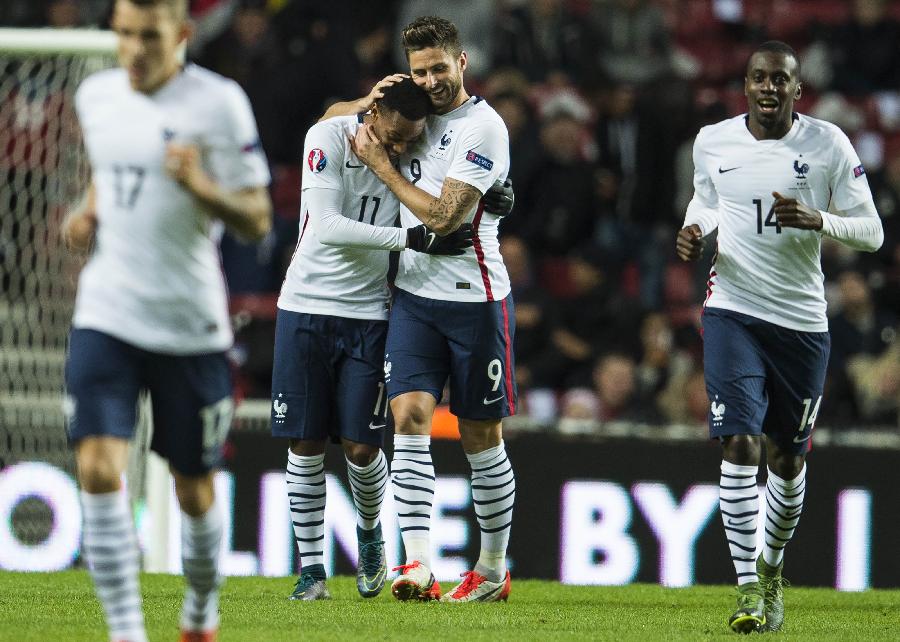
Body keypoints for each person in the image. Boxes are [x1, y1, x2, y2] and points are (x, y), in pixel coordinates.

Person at [61, 1, 273, 641]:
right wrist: (88, 212)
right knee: (99, 469)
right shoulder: (96, 96)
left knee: (194, 490)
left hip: (189, 326)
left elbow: (258, 219)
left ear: (181, 36)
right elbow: (111, 170)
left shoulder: (219, 103)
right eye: (124, 35)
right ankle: (126, 631)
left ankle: (201, 611)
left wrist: (201, 187)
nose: (134, 50)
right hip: (107, 312)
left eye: (149, 37)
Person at [676, 41, 884, 634]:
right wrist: (695, 228)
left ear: (798, 88)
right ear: (745, 85)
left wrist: (821, 220)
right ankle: (748, 588)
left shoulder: (828, 144)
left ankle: (770, 567)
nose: (769, 87)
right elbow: (707, 200)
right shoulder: (713, 141)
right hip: (732, 309)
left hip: (801, 323)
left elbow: (872, 232)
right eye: (759, 78)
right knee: (740, 444)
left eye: (780, 79)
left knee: (787, 461)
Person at [329, 16, 516, 603]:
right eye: (419, 71)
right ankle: (418, 564)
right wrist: (368, 102)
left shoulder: (483, 127)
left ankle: (492, 571)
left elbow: (443, 218)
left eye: (439, 68)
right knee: (408, 418)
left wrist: (382, 167)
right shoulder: (410, 112)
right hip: (413, 296)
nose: (431, 81)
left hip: (476, 299)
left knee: (480, 436)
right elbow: (327, 122)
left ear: (462, 62)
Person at [272, 77, 476, 602]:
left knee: (363, 449)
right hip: (305, 306)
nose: (402, 148)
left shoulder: (411, 154)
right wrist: (409, 239)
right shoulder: (327, 138)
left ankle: (369, 536)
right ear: (374, 113)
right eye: (395, 136)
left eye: (411, 139)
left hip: (369, 314)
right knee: (305, 443)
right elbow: (326, 226)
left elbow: (454, 184)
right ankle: (312, 570)